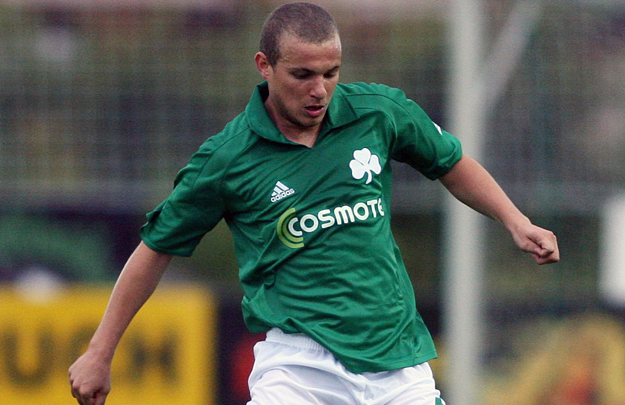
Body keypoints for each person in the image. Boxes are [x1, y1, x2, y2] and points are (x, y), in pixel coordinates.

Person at [68, 2, 559, 404]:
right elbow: (156, 248)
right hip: (300, 367)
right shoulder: (227, 159)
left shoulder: (378, 113)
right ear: (264, 66)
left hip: (397, 361)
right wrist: (99, 352)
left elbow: (450, 162)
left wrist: (516, 221)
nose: (319, 90)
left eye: (330, 73)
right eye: (302, 74)